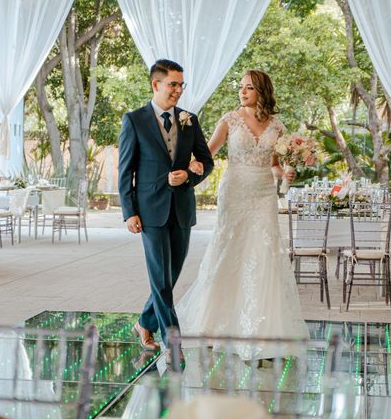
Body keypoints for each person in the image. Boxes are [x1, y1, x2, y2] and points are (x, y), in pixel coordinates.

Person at [176, 70, 309, 359]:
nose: (243, 92)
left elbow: (273, 165)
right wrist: (186, 166)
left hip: (263, 194)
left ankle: (260, 328)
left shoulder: (277, 126)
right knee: (230, 250)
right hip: (235, 192)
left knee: (263, 255)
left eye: (249, 87)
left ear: (262, 91)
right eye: (241, 87)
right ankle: (214, 323)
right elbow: (206, 153)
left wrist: (285, 172)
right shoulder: (229, 120)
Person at [118, 59, 214, 353]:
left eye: (181, 85)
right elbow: (125, 170)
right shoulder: (134, 120)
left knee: (170, 276)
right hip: (150, 211)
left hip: (182, 209)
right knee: (160, 278)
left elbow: (207, 162)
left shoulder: (189, 119)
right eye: (173, 84)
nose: (178, 90)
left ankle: (144, 322)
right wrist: (129, 211)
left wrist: (189, 176)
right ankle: (173, 341)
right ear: (155, 84)